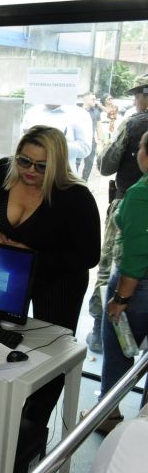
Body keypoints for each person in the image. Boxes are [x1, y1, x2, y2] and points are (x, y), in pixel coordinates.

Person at [0, 125, 100, 429]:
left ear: (56, 164)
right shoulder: (2, 172)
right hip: (7, 271)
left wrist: (34, 255)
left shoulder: (75, 197)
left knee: (50, 352)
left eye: (41, 166)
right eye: (24, 161)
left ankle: (33, 425)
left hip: (59, 280)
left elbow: (88, 256)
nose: (30, 170)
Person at [87, 75, 148, 353]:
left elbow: (105, 164)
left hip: (128, 205)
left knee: (107, 268)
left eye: (137, 95)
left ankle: (100, 330)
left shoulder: (135, 124)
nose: (135, 101)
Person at [94, 130, 148, 432]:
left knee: (117, 350)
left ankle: (108, 415)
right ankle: (143, 428)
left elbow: (137, 254)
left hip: (137, 290)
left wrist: (120, 299)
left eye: (140, 147)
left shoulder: (142, 193)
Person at [21, 102, 92, 175]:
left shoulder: (79, 114)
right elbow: (21, 142)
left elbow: (84, 149)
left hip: (61, 175)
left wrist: (54, 145)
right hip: (30, 173)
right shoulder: (32, 112)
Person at [79, 92, 102, 181]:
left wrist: (100, 140)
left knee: (89, 163)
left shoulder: (96, 112)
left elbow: (99, 126)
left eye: (95, 99)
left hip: (91, 141)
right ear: (85, 100)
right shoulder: (77, 111)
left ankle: (84, 181)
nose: (95, 101)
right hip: (79, 141)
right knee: (76, 162)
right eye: (93, 99)